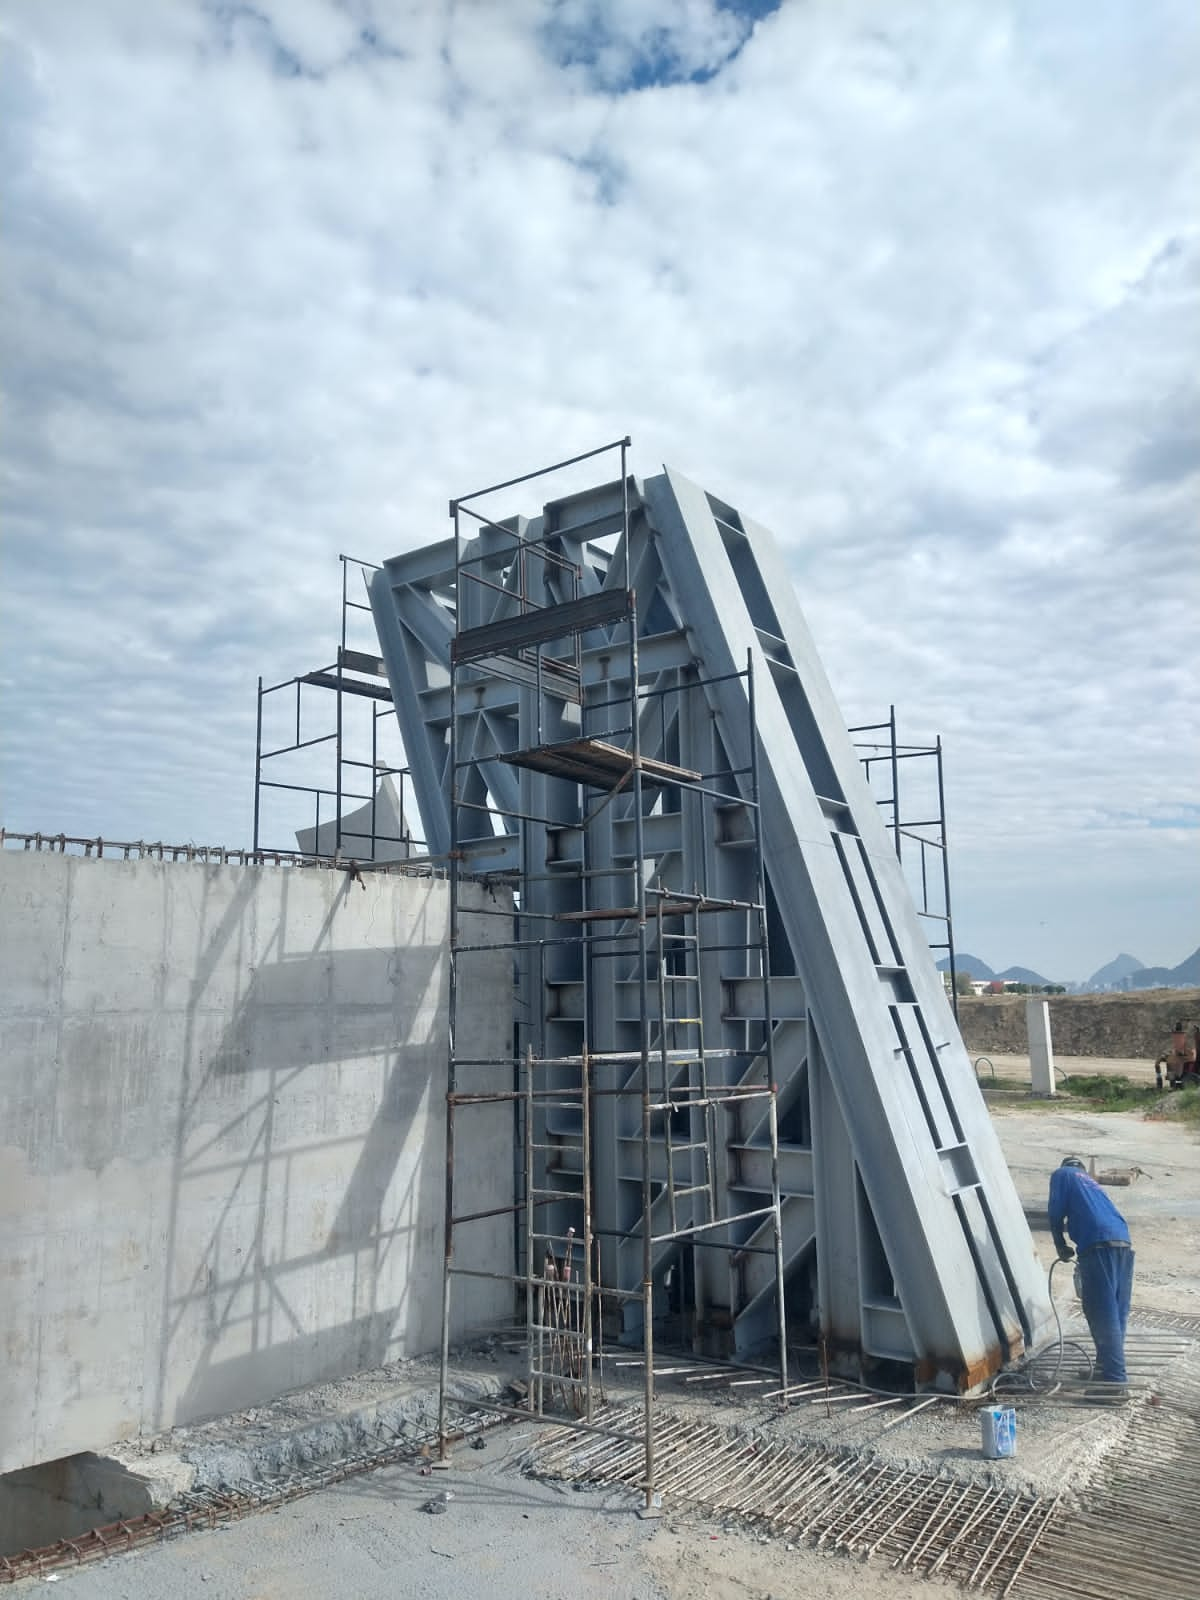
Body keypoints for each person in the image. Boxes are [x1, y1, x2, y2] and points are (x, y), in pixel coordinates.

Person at [1047, 1155, 1134, 1398]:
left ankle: (1114, 1385)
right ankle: (1106, 1370)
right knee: (1116, 1314)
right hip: (1123, 1242)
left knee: (1101, 1312)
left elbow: (1054, 1214)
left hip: (1098, 1244)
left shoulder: (1062, 1174)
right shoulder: (1090, 1183)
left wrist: (1060, 1246)